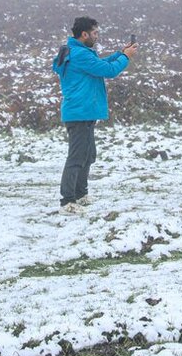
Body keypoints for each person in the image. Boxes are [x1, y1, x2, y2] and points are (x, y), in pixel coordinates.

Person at [51, 16, 138, 215]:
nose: (97, 36)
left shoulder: (80, 52)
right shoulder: (80, 54)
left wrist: (120, 53)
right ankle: (68, 201)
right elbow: (108, 70)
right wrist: (126, 57)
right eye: (95, 33)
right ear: (84, 34)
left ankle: (81, 194)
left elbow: (99, 64)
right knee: (77, 157)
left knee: (88, 155)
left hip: (85, 112)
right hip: (79, 112)